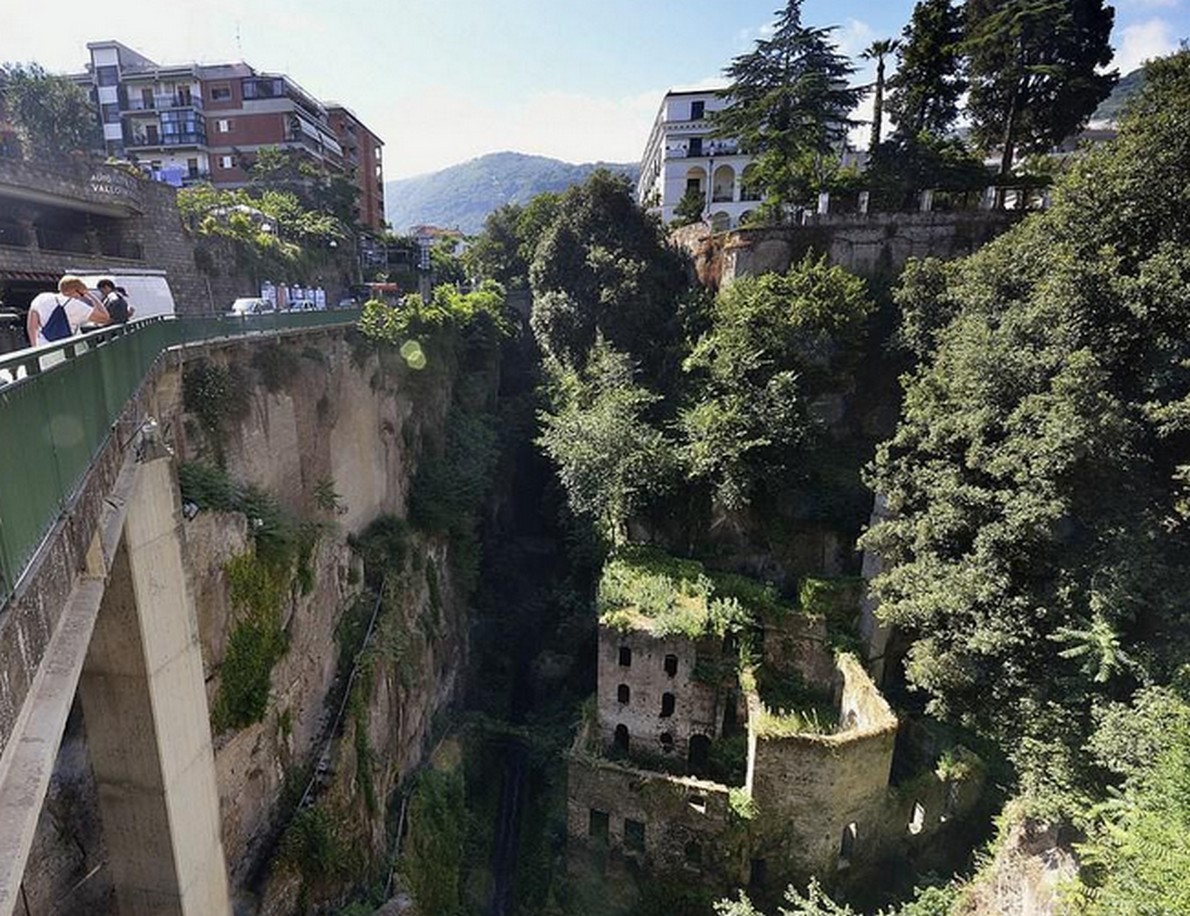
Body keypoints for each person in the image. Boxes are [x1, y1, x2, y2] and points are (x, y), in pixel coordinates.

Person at [26, 275, 110, 347]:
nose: (81, 297)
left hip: (45, 349)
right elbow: (105, 318)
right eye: (81, 295)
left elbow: (32, 327)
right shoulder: (74, 305)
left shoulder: (41, 298)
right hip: (68, 350)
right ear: (76, 291)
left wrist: (35, 348)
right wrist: (89, 294)